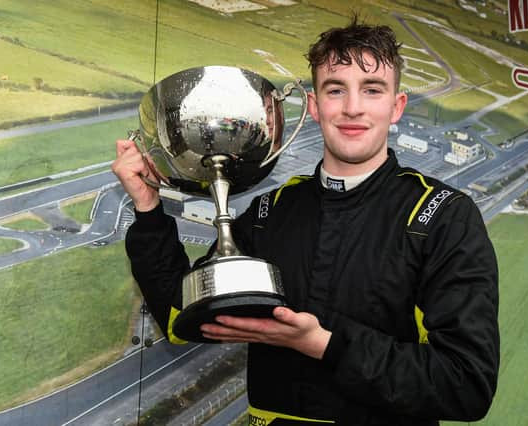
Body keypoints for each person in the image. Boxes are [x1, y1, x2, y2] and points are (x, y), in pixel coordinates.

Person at [112, 18, 499, 426]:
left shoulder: (442, 214)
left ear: (396, 106)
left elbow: (466, 385)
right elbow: (180, 319)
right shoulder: (269, 212)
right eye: (336, 89)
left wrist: (324, 345)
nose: (352, 107)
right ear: (314, 106)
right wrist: (149, 209)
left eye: (372, 90)